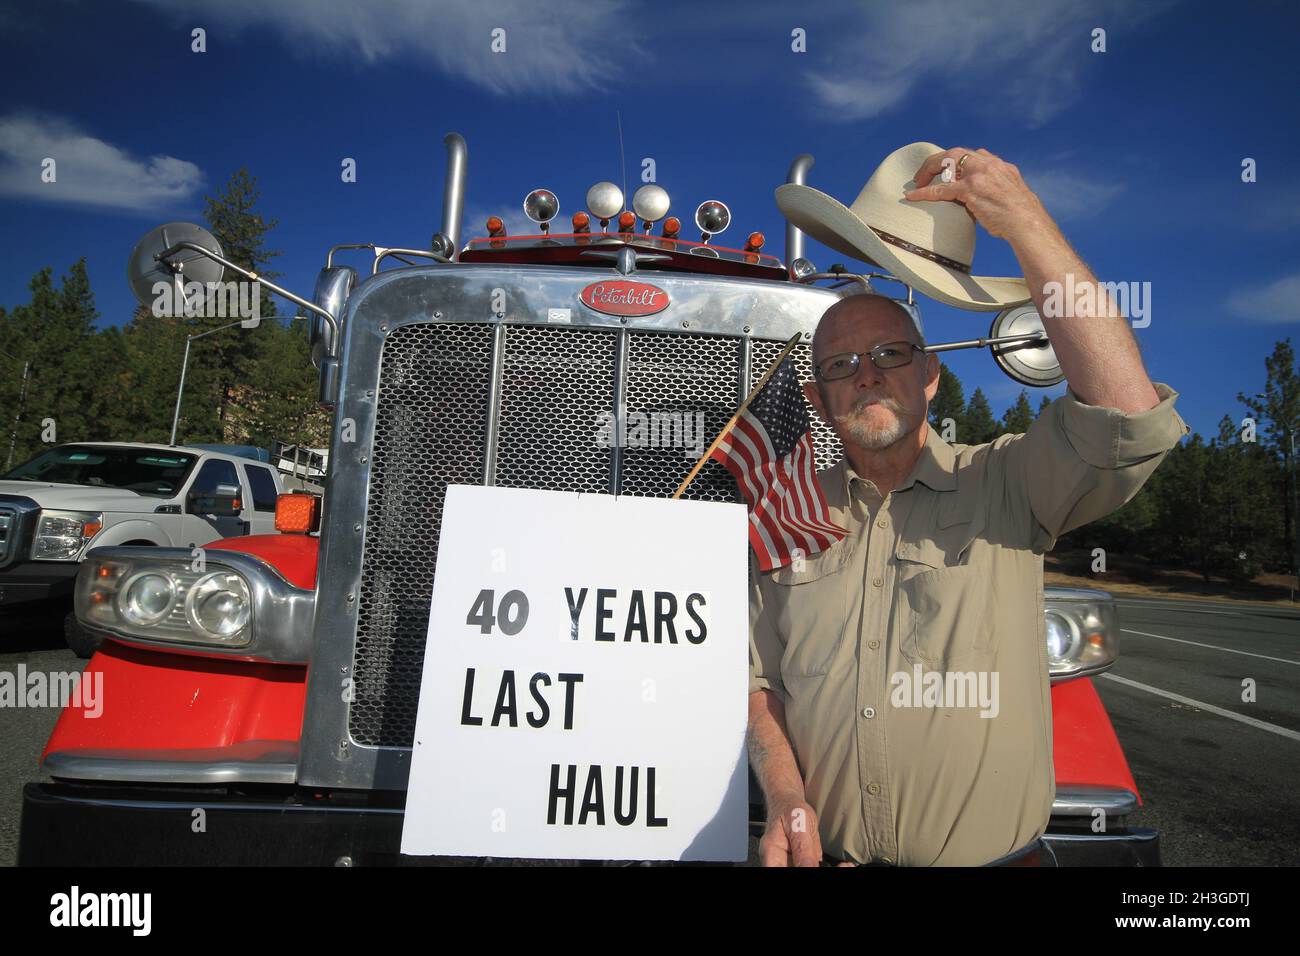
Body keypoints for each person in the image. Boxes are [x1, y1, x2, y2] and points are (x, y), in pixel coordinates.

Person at [749, 145, 1189, 866]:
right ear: (818, 402)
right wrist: (787, 794)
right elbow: (757, 680)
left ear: (930, 378)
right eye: (840, 366)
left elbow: (1126, 415)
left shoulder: (1009, 482)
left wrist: (1024, 221)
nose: (867, 377)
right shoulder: (789, 516)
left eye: (890, 355)